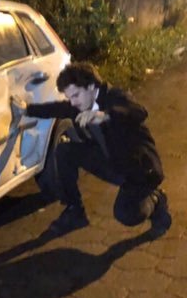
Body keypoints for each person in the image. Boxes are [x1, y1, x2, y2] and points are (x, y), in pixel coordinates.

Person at [12, 62, 171, 236]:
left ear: (90, 86)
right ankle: (75, 210)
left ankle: (156, 199)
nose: (73, 102)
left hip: (138, 169)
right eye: (69, 97)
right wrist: (27, 110)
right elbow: (57, 108)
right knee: (65, 151)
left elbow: (138, 112)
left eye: (76, 95)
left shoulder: (114, 96)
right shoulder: (80, 104)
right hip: (111, 162)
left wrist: (105, 116)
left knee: (126, 215)